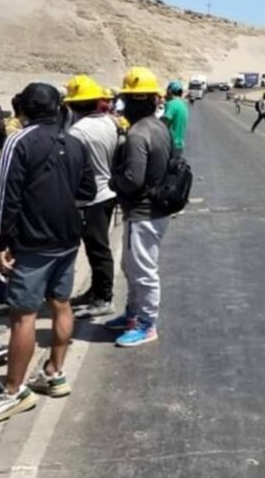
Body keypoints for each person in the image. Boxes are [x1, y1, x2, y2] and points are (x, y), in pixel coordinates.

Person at [0, 83, 96, 424]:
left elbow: (6, 197)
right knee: (61, 304)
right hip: (68, 238)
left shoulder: (20, 140)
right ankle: (54, 373)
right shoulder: (73, 141)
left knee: (23, 316)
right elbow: (86, 190)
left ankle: (13, 391)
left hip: (33, 242)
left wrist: (0, 243)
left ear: (23, 108)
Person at [105, 67, 172, 347]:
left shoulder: (137, 134)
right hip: (153, 210)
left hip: (143, 212)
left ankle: (146, 324)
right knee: (131, 266)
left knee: (142, 270)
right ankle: (132, 314)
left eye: (126, 100)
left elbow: (133, 179)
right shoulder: (159, 127)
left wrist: (113, 182)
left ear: (134, 101)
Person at [62, 76, 119, 320]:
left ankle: (104, 298)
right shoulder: (109, 122)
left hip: (90, 199)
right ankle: (95, 291)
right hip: (107, 192)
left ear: (73, 105)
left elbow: (72, 168)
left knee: (97, 249)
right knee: (98, 246)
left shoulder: (77, 132)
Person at [162, 80, 189, 154]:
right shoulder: (183, 105)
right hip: (179, 146)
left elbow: (163, 125)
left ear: (170, 91)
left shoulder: (171, 104)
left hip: (170, 145)